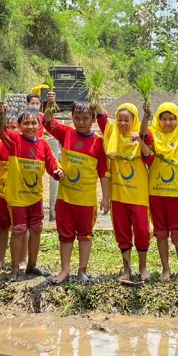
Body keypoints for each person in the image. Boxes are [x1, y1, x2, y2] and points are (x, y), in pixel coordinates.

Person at [45, 92, 110, 284]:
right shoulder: (66, 133)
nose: (81, 122)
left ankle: (82, 270)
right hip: (65, 198)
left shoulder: (99, 143)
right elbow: (47, 122)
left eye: (85, 118)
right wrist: (50, 104)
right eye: (77, 118)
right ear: (72, 117)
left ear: (93, 119)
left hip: (86, 201)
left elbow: (103, 172)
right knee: (65, 235)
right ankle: (65, 270)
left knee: (85, 235)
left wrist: (106, 197)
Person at [0, 103, 63, 279]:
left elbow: (52, 164)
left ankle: (32, 265)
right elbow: (1, 130)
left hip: (36, 197)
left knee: (36, 230)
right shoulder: (14, 141)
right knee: (18, 230)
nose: (30, 126)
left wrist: (57, 171)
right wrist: (0, 114)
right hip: (18, 197)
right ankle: (14, 268)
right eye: (26, 123)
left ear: (39, 125)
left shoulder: (43, 145)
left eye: (34, 123)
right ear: (19, 126)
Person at [98, 101, 154, 283]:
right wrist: (96, 101)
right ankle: (127, 268)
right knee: (122, 232)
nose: (122, 123)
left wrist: (140, 140)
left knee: (142, 231)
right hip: (118, 195)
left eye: (126, 120)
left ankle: (143, 267)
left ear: (134, 120)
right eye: (119, 119)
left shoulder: (141, 134)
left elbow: (149, 158)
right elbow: (102, 118)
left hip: (138, 195)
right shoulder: (112, 134)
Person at [144, 101, 178, 281]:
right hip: (156, 191)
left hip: (177, 193)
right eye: (164, 119)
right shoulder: (152, 134)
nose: (168, 123)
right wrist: (146, 113)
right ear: (158, 119)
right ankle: (165, 269)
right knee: (160, 232)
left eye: (172, 119)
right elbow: (143, 137)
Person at [0, 115, 17, 270]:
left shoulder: (22, 144)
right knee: (1, 227)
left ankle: (20, 260)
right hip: (0, 192)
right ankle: (0, 259)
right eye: (8, 128)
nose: (10, 131)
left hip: (19, 194)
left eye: (14, 127)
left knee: (20, 228)